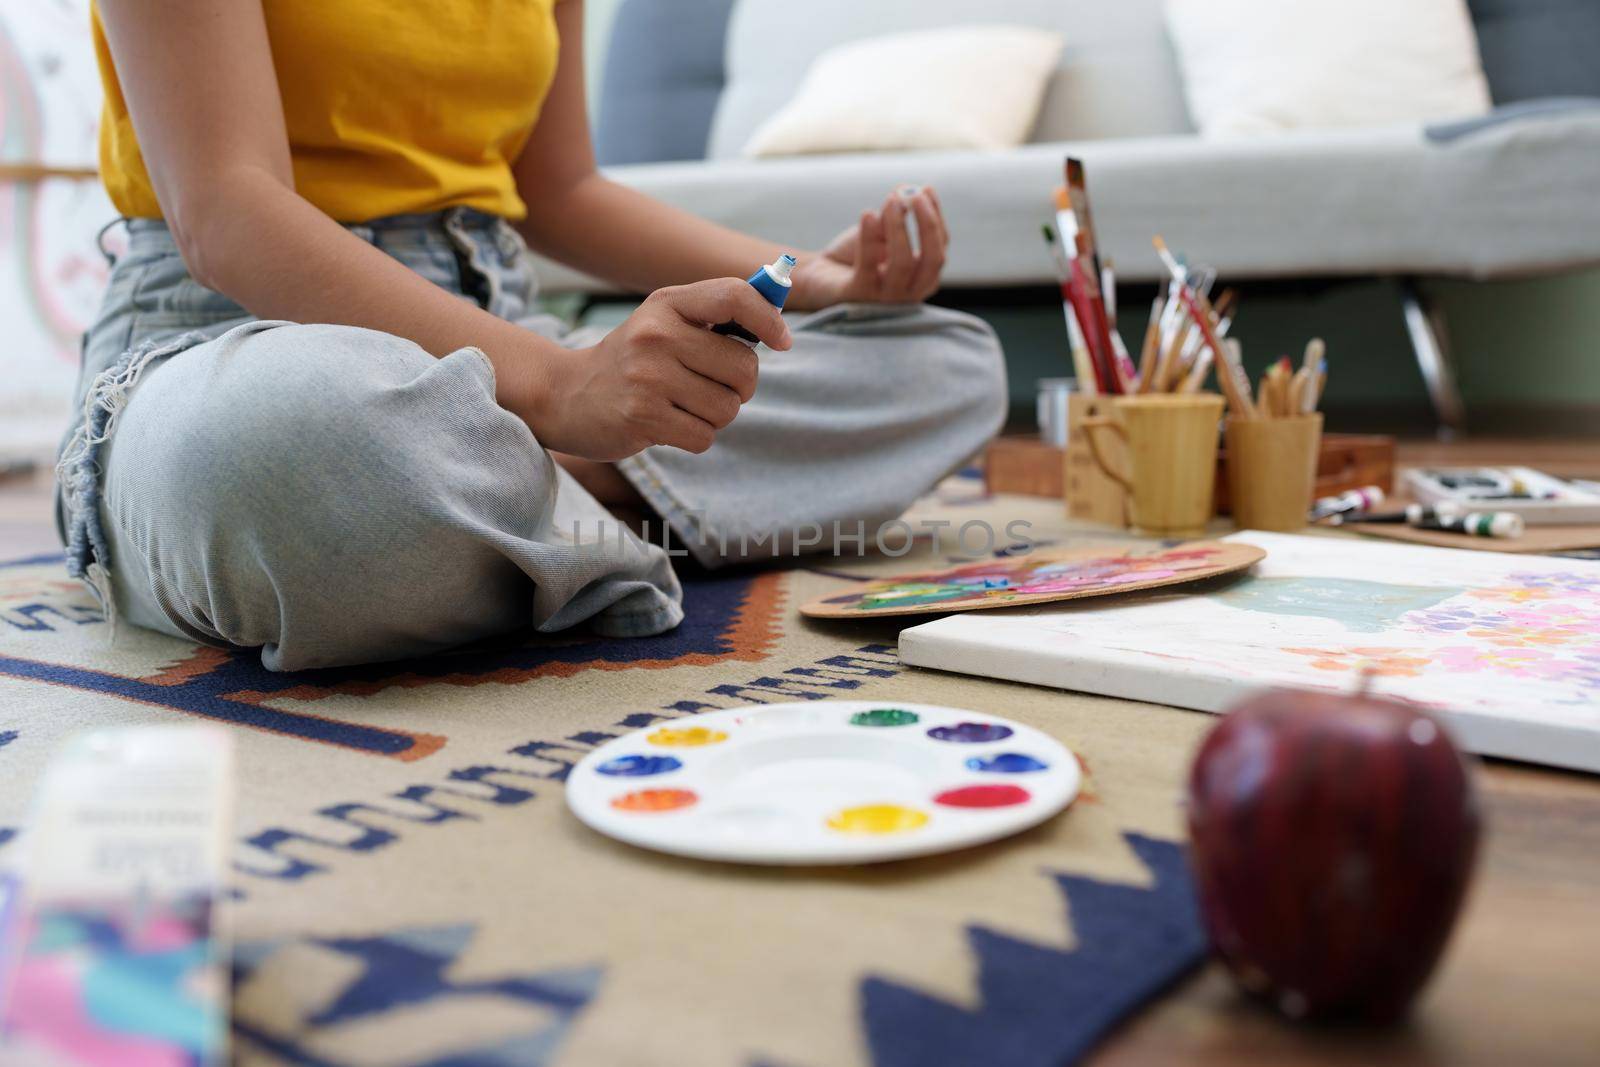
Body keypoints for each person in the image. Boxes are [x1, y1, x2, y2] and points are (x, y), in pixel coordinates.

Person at [62, 0, 1007, 671]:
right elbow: (227, 211)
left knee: (943, 358)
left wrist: (821, 279)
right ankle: (568, 487)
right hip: (233, 337)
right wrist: (561, 390)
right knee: (287, 449)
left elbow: (563, 192)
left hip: (503, 334)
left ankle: (490, 502)